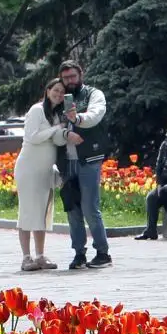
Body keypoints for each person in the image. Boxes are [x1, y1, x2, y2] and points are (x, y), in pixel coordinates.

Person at [56, 61, 112, 269]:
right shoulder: (59, 96)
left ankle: (103, 252)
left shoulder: (93, 94)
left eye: (72, 76)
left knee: (89, 207)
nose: (69, 81)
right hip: (67, 160)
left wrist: (77, 118)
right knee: (72, 207)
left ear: (81, 75)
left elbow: (95, 115)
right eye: (66, 78)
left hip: (89, 157)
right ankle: (79, 253)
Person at [13, 78, 68, 271]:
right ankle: (26, 257)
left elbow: (59, 140)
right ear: (48, 90)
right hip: (29, 169)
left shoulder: (56, 115)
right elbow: (32, 136)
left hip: (45, 170)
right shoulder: (37, 110)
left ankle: (40, 255)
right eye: (56, 90)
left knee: (43, 213)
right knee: (28, 211)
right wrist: (56, 129)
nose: (58, 94)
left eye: (62, 92)